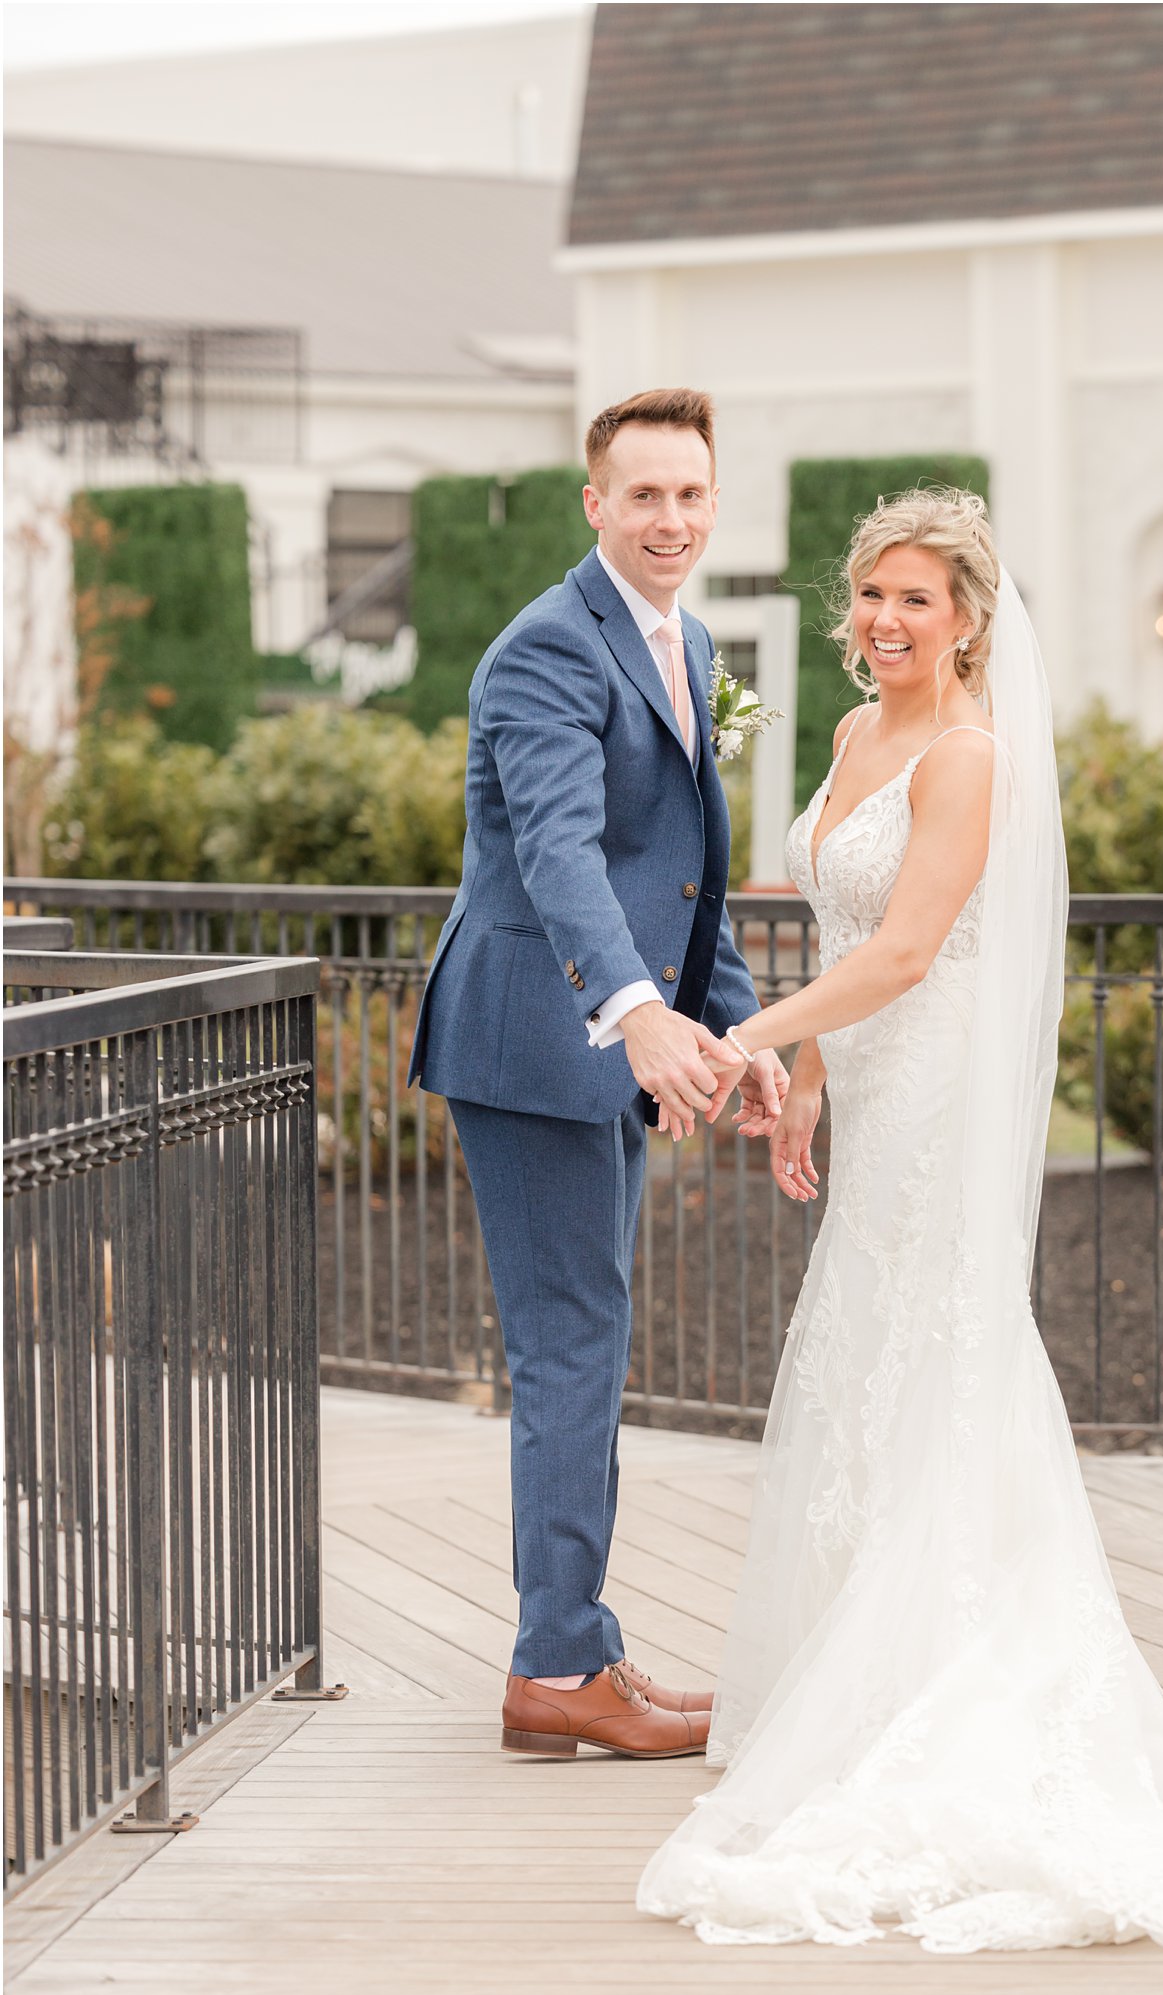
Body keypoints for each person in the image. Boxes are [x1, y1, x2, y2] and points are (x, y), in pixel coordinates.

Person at [637, 489, 1163, 1953]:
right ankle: (865, 1674)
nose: (884, 620)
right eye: (870, 594)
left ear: (972, 617)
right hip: (865, 1075)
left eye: (916, 598)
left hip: (941, 1086)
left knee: (944, 1348)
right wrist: (799, 1074)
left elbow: (914, 948)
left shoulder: (974, 755)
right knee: (869, 1350)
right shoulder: (861, 735)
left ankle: (949, 1670)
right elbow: (842, 933)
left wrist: (738, 1040)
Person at [408, 387, 788, 1759]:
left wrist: (737, 1037)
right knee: (572, 1346)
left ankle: (579, 1642)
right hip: (535, 1042)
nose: (671, 520)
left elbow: (683, 880)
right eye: (645, 496)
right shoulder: (545, 652)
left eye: (691, 495)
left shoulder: (676, 640)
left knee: (592, 1338)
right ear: (595, 502)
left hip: (599, 1048)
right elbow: (565, 856)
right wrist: (634, 1012)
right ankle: (558, 1667)